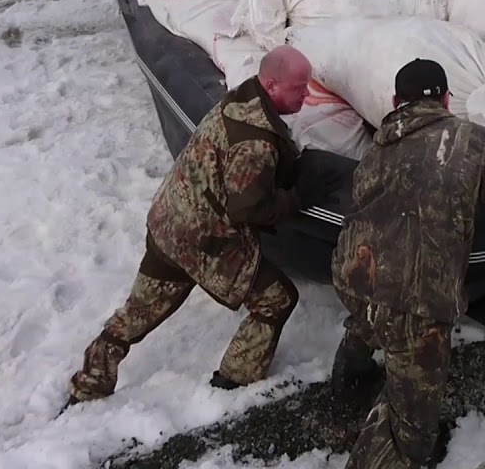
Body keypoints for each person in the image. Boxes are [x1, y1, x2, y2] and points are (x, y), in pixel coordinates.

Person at [62, 45, 327, 411]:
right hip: (206, 242)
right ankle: (235, 379)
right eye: (300, 88)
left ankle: (89, 383)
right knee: (277, 298)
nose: (306, 95)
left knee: (139, 310)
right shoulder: (256, 143)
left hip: (170, 223)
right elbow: (250, 207)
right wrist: (295, 198)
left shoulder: (240, 99)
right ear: (272, 84)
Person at [328, 58, 485, 468]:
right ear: (448, 100)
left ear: (397, 102)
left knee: (371, 313)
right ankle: (405, 450)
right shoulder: (474, 141)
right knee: (415, 419)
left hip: (352, 275)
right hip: (416, 298)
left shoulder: (377, 146)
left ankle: (348, 375)